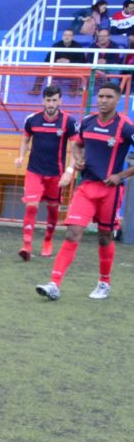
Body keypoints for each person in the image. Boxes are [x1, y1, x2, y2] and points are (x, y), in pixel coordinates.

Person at [35, 82, 134, 301]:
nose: (103, 100)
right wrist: (78, 159)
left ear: (118, 100)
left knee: (104, 237)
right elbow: (77, 145)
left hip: (111, 191)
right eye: (100, 96)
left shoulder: (126, 126)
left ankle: (104, 282)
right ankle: (54, 284)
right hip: (86, 188)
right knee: (72, 232)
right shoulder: (87, 122)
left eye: (109, 97)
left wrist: (121, 175)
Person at [14, 85, 77, 260]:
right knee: (31, 205)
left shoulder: (69, 122)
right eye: (48, 100)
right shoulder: (32, 120)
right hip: (34, 171)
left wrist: (69, 171)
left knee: (53, 208)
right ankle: (26, 245)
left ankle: (48, 240)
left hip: (56, 173)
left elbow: (76, 148)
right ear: (43, 101)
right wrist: (21, 156)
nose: (51, 104)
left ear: (60, 101)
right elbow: (25, 140)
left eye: (54, 100)